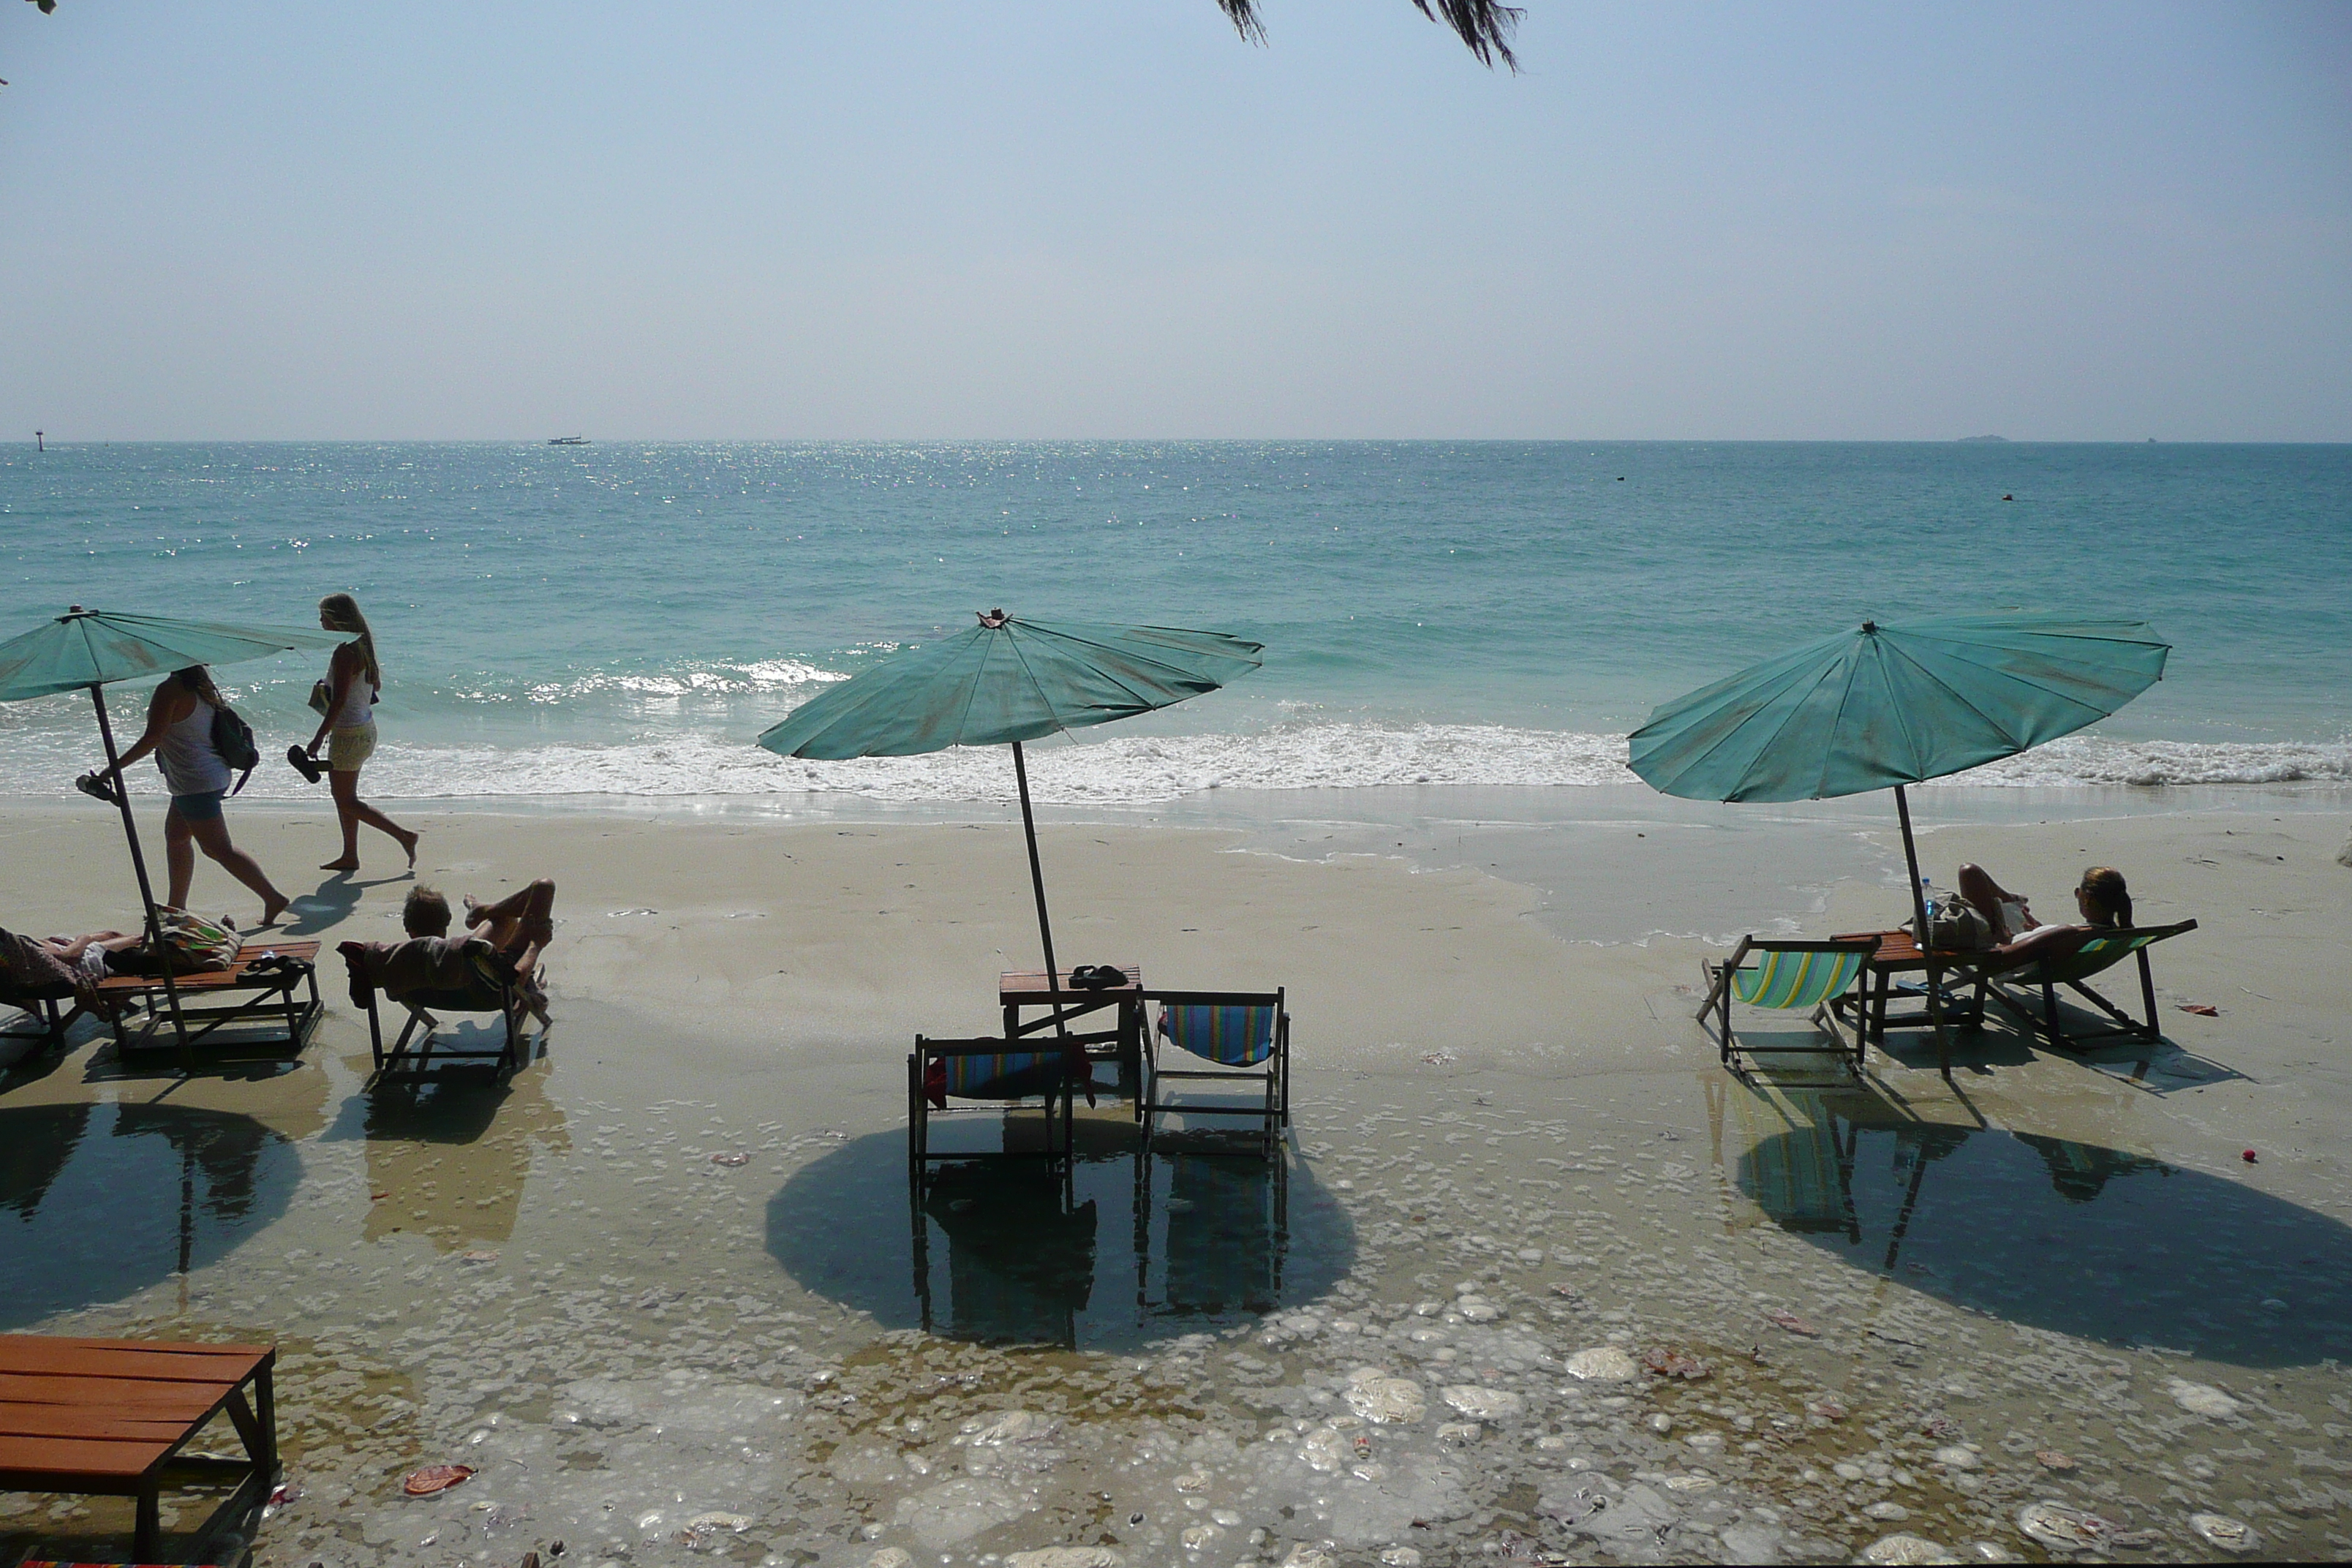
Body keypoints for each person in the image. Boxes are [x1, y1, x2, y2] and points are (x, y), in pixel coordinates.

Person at [105, 666, 290, 925]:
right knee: (177, 837)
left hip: (196, 781)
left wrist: (112, 769)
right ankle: (176, 907)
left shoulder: (170, 689)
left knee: (218, 849)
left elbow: (153, 737)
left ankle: (272, 897)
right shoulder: (199, 685)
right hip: (203, 776)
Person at [305, 593, 419, 872]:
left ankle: (404, 836)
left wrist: (319, 736)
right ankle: (349, 855)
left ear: (336, 618)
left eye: (323, 617)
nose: (320, 622)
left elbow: (340, 700)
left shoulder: (345, 652)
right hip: (364, 728)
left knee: (345, 799)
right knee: (346, 797)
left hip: (349, 734)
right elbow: (372, 689)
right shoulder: (362, 647)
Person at [404, 880, 554, 1025]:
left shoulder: (391, 961)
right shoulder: (467, 955)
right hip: (493, 988)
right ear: (448, 919)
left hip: (439, 993)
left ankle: (480, 910)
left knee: (504, 922)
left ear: (407, 926)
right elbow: (510, 986)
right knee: (543, 888)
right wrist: (536, 946)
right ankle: (482, 910)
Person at [1954, 863, 2133, 968]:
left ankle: (2012, 899)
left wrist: (2001, 938)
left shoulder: (2070, 933)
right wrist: (2039, 931)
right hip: (2034, 947)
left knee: (1969, 872)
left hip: (1996, 949)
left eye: (2079, 892)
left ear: (2086, 899)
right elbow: (2051, 946)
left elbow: (2005, 957)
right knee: (1972, 874)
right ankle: (2011, 899)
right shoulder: (2116, 933)